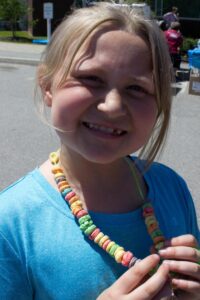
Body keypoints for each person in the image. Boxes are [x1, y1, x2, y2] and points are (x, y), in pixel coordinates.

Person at [0, 3, 199, 300]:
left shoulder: (172, 188)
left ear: (159, 104)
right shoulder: (11, 223)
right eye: (91, 78)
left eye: (137, 89)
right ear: (47, 86)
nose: (113, 106)